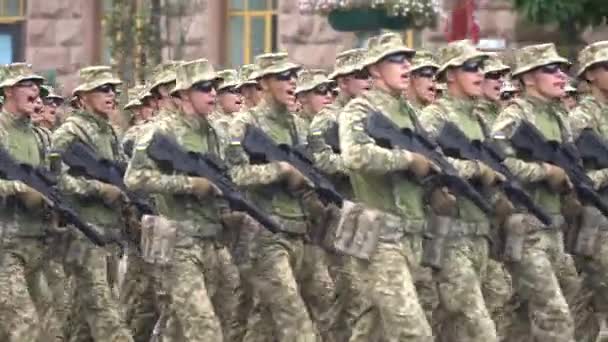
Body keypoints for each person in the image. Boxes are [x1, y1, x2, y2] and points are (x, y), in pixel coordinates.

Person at [338, 32, 434, 341]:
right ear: (376, 69)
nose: (406, 66)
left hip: (411, 234)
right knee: (412, 333)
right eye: (396, 60)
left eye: (408, 60)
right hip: (377, 235)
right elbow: (355, 155)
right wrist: (407, 159)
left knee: (373, 327)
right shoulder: (359, 110)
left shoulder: (408, 112)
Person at [125, 58, 228, 341]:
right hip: (178, 243)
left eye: (215, 87)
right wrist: (188, 184)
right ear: (182, 94)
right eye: (204, 88)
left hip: (211, 240)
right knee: (204, 329)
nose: (213, 94)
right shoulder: (161, 131)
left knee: (178, 328)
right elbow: (134, 179)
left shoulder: (216, 132)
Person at [226, 52, 323, 341]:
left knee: (266, 323)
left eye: (293, 75)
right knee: (295, 321)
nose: (291, 81)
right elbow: (233, 176)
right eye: (282, 77)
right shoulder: (244, 124)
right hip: (265, 236)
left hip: (300, 232)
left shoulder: (299, 126)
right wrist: (279, 170)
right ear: (264, 83)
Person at [491, 43, 581, 342]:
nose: (560, 76)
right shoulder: (514, 116)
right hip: (526, 228)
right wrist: (545, 172)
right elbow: (499, 164)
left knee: (523, 315)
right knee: (555, 316)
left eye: (562, 70)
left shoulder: (557, 115)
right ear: (529, 78)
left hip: (554, 228)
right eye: (550, 70)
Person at [420, 40, 505, 342]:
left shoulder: (479, 118)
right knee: (479, 326)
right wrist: (475, 169)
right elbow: (429, 165)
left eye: (481, 67)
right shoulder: (435, 117)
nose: (480, 73)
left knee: (452, 324)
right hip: (451, 234)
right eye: (471, 67)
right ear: (450, 75)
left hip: (480, 234)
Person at [50, 65, 134, 342]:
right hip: (84, 233)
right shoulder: (69, 133)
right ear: (83, 97)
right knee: (105, 313)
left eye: (113, 90)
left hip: (109, 233)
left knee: (83, 324)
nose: (111, 94)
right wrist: (98, 189)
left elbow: (123, 175)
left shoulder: (110, 132)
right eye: (103, 89)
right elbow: (56, 181)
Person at [0, 62, 61, 341]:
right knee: (25, 327)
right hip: (5, 249)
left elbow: (55, 181)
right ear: (9, 91)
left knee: (51, 328)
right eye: (27, 84)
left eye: (36, 85)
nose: (35, 91)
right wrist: (18, 189)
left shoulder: (40, 137)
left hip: (37, 244)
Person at [568, 40, 608, 341]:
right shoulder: (580, 119)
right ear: (590, 75)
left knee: (586, 305)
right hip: (596, 222)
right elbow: (576, 178)